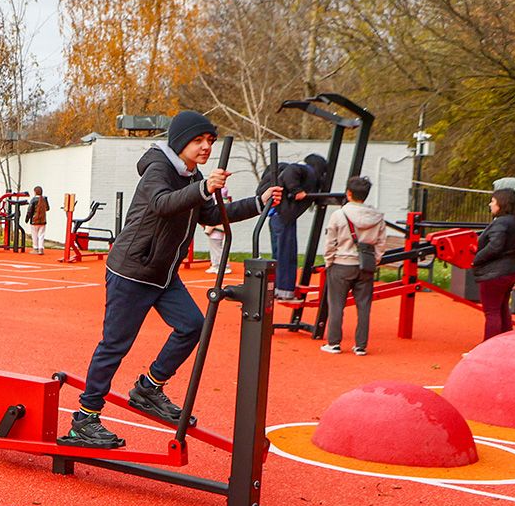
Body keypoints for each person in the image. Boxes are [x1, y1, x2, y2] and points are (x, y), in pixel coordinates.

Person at [59, 111, 281, 449]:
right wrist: (204, 187)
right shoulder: (158, 169)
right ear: (180, 143)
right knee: (115, 344)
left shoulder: (193, 176)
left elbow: (213, 214)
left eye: (210, 141)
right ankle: (85, 418)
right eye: (198, 141)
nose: (206, 146)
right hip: (133, 270)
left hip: (163, 273)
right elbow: (163, 204)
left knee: (193, 325)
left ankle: (149, 386)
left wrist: (258, 202)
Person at [318, 176, 387, 355]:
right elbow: (381, 243)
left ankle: (333, 343)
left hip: (341, 264)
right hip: (366, 265)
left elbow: (330, 242)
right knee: (364, 307)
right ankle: (361, 346)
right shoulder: (377, 217)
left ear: (349, 193)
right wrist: (376, 260)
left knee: (336, 305)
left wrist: (329, 261)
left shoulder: (339, 215)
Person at [268, 153, 330, 300]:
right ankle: (285, 290)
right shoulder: (305, 169)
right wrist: (296, 190)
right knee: (287, 254)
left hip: (276, 216)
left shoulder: (302, 172)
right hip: (283, 218)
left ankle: (277, 288)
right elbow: (292, 170)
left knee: (279, 254)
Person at [473, 187, 515, 339]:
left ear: (501, 203)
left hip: (495, 273)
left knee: (492, 311)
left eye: (493, 201)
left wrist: (476, 259)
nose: (490, 204)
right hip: (511, 269)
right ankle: (504, 342)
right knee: (502, 309)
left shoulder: (500, 223)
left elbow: (495, 246)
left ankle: (488, 348)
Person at [27, 186, 50, 254]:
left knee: (34, 235)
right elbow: (47, 208)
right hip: (43, 220)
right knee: (41, 235)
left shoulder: (33, 200)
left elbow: (30, 210)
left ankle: (35, 248)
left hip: (34, 220)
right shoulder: (44, 199)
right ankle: (41, 248)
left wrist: (27, 218)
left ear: (35, 192)